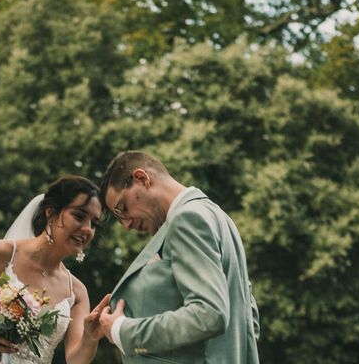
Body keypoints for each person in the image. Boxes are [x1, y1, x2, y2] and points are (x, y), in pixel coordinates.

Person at [97, 151, 260, 363]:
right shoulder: (217, 215)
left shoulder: (187, 219)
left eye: (122, 208)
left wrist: (122, 330)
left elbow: (209, 314)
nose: (126, 224)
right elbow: (249, 317)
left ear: (142, 179)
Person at [0, 175, 110, 364]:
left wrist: (90, 338)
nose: (87, 229)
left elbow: (76, 360)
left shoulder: (77, 292)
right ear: (50, 212)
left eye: (94, 224)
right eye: (79, 216)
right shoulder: (0, 254)